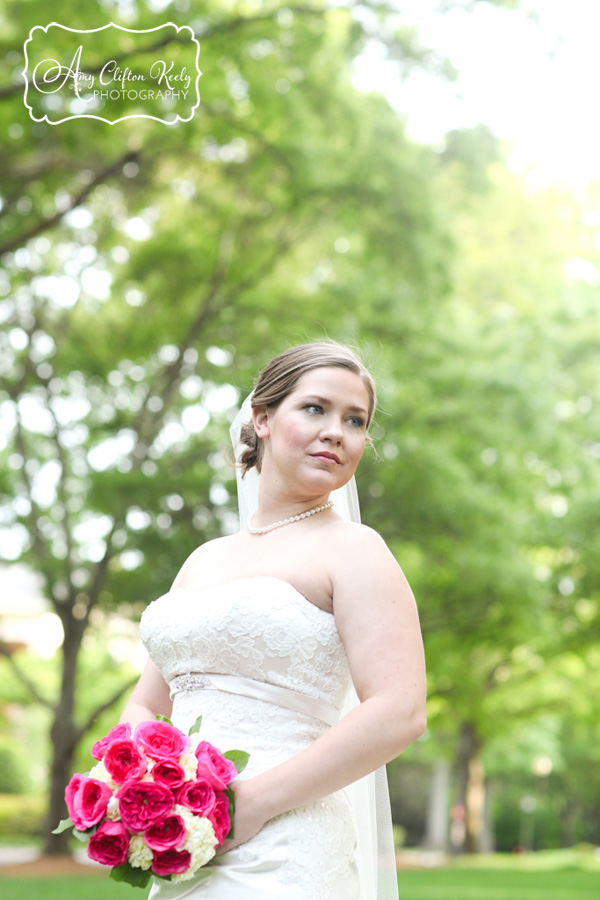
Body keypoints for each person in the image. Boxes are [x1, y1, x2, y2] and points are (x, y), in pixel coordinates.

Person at [120, 340, 426, 900]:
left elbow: (399, 711)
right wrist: (143, 787)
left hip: (287, 846)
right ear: (261, 418)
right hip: (189, 840)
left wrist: (252, 803)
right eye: (315, 408)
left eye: (355, 420)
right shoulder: (202, 559)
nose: (337, 430)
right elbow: (148, 701)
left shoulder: (356, 551)